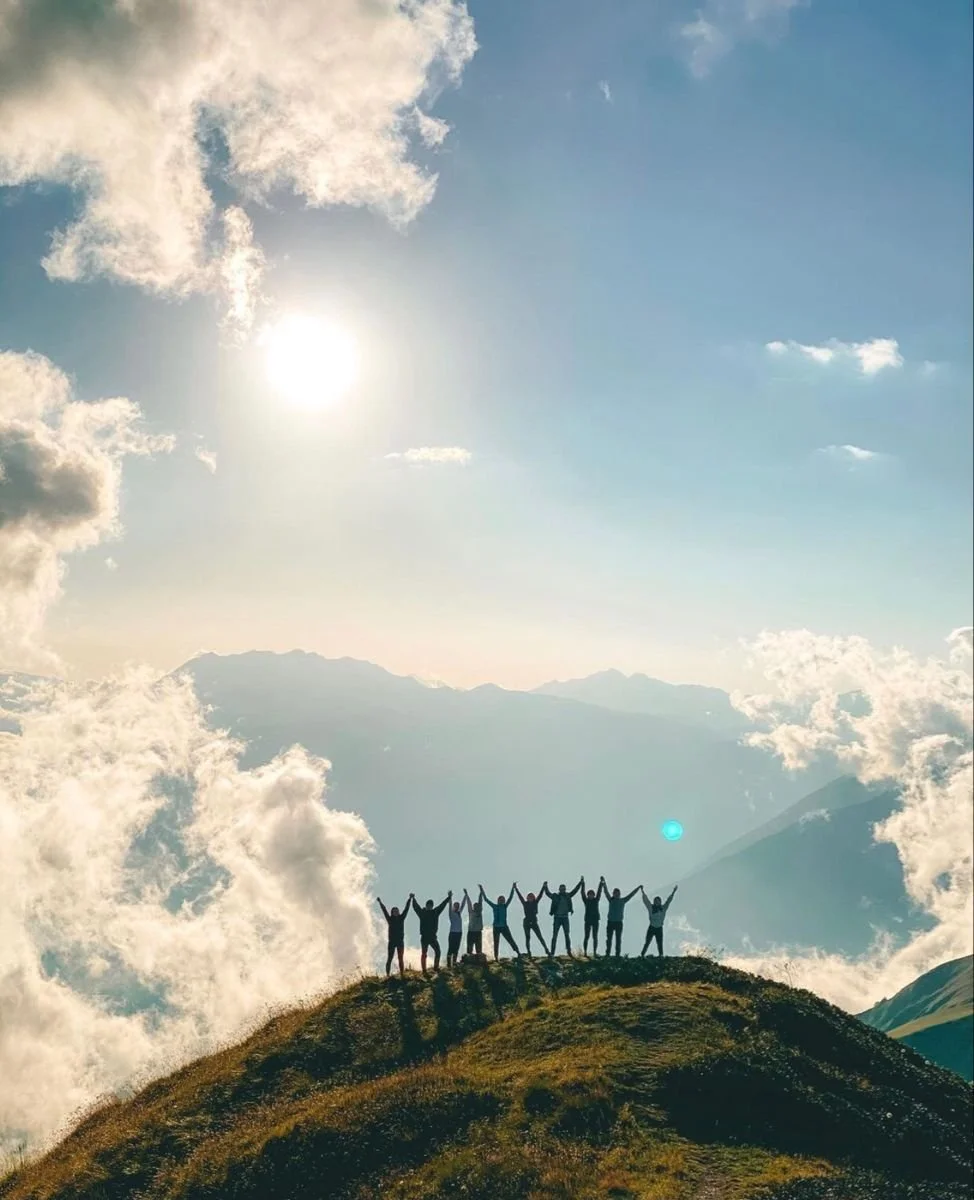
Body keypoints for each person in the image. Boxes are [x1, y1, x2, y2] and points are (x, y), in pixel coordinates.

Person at [410, 890, 451, 972]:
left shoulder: (435, 912)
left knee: (438, 951)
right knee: (424, 953)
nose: (429, 907)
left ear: (432, 906)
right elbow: (416, 907)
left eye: (430, 905)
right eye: (428, 905)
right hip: (424, 937)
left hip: (432, 937)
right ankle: (424, 970)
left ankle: (436, 967)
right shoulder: (422, 913)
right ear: (426, 905)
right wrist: (413, 899)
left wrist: (449, 897)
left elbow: (442, 905)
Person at [542, 877, 583, 957]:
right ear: (559, 889)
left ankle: (569, 951)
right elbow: (548, 893)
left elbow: (575, 891)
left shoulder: (567, 895)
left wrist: (580, 883)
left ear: (565, 889)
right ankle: (552, 952)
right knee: (555, 935)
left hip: (565, 918)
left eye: (563, 889)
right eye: (561, 889)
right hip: (557, 917)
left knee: (567, 935)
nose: (562, 890)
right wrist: (545, 886)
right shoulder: (555, 896)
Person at [479, 883, 521, 960]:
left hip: (504, 926)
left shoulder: (505, 906)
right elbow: (486, 899)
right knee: (496, 942)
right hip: (496, 927)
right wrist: (481, 890)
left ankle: (518, 952)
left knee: (510, 940)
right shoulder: (495, 906)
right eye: (500, 899)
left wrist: (513, 888)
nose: (501, 900)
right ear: (498, 901)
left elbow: (510, 898)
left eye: (502, 899)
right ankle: (496, 957)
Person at [640, 884, 678, 957]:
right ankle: (642, 954)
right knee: (647, 942)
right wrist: (642, 891)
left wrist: (673, 892)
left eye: (658, 901)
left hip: (659, 928)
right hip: (651, 927)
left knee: (660, 943)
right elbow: (646, 901)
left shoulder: (663, 908)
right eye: (655, 901)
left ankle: (661, 955)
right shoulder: (651, 908)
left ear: (660, 902)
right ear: (654, 902)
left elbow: (668, 901)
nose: (657, 902)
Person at [604, 880, 641, 957]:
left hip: (618, 923)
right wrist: (604, 883)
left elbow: (631, 894)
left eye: (617, 893)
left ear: (619, 894)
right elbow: (606, 892)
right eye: (615, 893)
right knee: (609, 939)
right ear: (613, 894)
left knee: (618, 939)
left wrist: (638, 888)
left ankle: (617, 954)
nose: (616, 895)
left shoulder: (622, 900)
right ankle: (607, 953)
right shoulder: (611, 900)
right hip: (610, 922)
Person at [514, 882, 550, 957]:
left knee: (540, 936)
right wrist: (516, 889)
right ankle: (529, 952)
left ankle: (546, 950)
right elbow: (520, 897)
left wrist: (543, 887)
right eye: (529, 897)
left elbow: (540, 895)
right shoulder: (525, 903)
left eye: (532, 897)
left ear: (533, 898)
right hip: (526, 922)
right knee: (527, 938)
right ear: (527, 898)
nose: (530, 898)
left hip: (534, 922)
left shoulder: (535, 903)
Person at [376, 896, 408, 977]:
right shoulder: (390, 919)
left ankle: (402, 974)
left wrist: (409, 899)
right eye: (394, 911)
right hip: (392, 942)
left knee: (400, 958)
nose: (396, 912)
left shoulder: (401, 918)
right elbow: (384, 910)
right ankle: (387, 975)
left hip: (400, 941)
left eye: (397, 911)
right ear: (392, 913)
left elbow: (406, 909)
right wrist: (380, 902)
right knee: (389, 958)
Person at [580, 875, 607, 956]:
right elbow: (582, 893)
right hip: (588, 920)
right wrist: (583, 883)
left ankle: (594, 952)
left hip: (595, 920)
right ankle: (585, 952)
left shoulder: (596, 900)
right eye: (589, 894)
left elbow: (599, 892)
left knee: (595, 937)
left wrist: (601, 883)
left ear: (593, 895)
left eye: (592, 894)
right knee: (586, 936)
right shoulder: (586, 901)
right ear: (588, 895)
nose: (590, 896)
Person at [463, 888, 484, 955]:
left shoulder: (479, 912)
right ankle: (468, 961)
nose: (476, 907)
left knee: (479, 950)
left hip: (478, 932)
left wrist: (481, 892)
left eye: (477, 906)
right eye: (474, 906)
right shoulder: (471, 912)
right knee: (469, 949)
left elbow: (480, 901)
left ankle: (479, 962)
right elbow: (469, 903)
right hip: (471, 932)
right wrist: (466, 895)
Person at [446, 898, 464, 967]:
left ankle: (454, 962)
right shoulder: (451, 913)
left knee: (456, 948)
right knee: (450, 948)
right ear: (454, 906)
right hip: (453, 933)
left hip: (459, 933)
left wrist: (465, 895)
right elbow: (450, 906)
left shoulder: (459, 913)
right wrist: (450, 898)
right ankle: (448, 964)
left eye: (458, 906)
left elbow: (463, 905)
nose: (457, 907)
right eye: (456, 906)